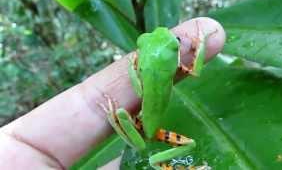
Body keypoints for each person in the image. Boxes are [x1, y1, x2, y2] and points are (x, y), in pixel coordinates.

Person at [0, 17, 225, 170]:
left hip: (146, 121)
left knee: (127, 115)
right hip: (145, 128)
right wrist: (200, 42)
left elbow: (138, 87)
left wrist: (131, 67)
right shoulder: (176, 71)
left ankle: (156, 159)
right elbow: (195, 70)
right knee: (188, 143)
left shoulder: (143, 82)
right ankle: (158, 162)